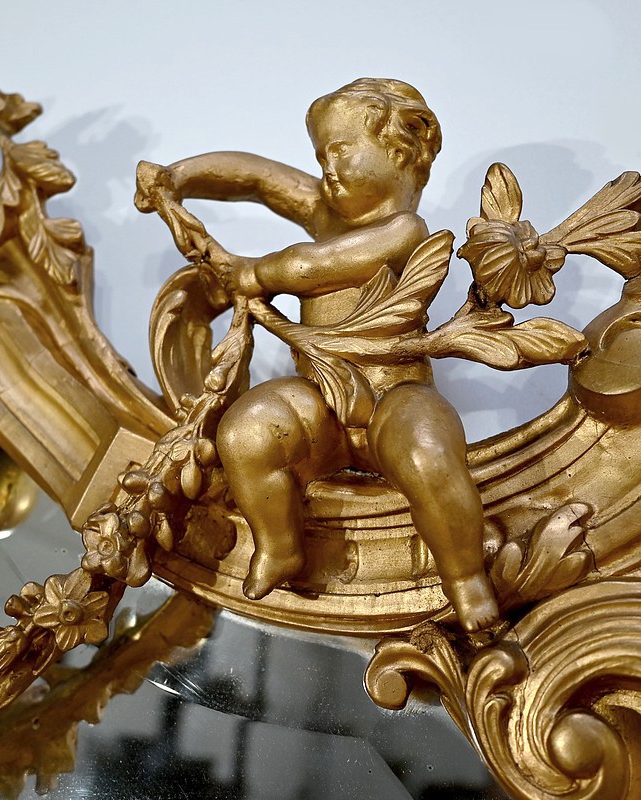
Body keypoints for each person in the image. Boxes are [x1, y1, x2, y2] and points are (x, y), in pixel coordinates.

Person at [158, 78, 498, 632]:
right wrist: (179, 177)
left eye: (340, 151)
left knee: (429, 454)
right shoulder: (324, 209)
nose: (327, 168)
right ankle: (280, 544)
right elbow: (258, 179)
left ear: (397, 153)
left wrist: (255, 273)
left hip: (394, 397)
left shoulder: (405, 230)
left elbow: (311, 267)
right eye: (320, 157)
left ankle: (464, 576)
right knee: (247, 431)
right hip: (320, 401)